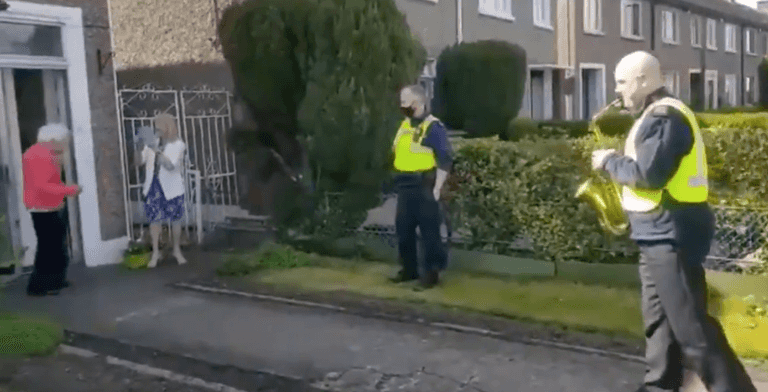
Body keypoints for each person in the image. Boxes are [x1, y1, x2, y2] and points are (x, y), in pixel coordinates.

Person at [591, 50, 756, 392]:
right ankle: (659, 386)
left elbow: (648, 175)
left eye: (622, 82)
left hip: (671, 233)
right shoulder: (655, 114)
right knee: (659, 322)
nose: (618, 90)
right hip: (655, 233)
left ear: (642, 80)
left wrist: (609, 161)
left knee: (691, 328)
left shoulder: (665, 117)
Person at [389, 85, 453, 288]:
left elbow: (445, 158)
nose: (402, 106)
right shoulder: (405, 125)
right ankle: (409, 270)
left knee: (429, 232)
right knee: (404, 229)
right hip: (405, 184)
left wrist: (437, 188)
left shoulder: (433, 127)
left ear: (419, 102)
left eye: (406, 101)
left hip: (425, 184)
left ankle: (431, 274)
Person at [22, 123, 81, 296]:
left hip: (49, 206)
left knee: (55, 246)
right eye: (63, 140)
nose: (65, 144)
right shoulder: (39, 156)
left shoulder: (46, 154)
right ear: (53, 139)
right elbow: (43, 186)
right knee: (48, 248)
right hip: (43, 208)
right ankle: (39, 286)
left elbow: (52, 182)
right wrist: (70, 190)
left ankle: (55, 281)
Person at [139, 113, 188, 268]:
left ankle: (176, 250)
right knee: (155, 220)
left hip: (171, 187)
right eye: (155, 127)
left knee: (175, 219)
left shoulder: (178, 144)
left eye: (159, 126)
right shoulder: (152, 142)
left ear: (168, 126)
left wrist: (157, 151)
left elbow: (170, 166)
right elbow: (141, 161)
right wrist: (141, 146)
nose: (156, 129)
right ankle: (155, 252)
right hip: (153, 186)